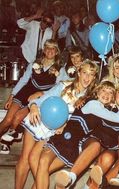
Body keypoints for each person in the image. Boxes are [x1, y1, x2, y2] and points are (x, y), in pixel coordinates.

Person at [15, 60, 98, 189]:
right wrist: (33, 106)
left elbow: (80, 121)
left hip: (58, 132)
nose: (87, 77)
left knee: (37, 160)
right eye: (85, 73)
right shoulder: (64, 85)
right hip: (41, 122)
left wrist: (64, 125)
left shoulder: (90, 97)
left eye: (91, 74)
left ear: (94, 78)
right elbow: (41, 99)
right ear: (79, 73)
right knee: (28, 158)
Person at [34, 81, 119, 189]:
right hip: (64, 137)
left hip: (72, 145)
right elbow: (118, 118)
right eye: (103, 90)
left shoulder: (102, 110)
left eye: (110, 93)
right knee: (43, 162)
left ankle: (66, 181)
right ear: (98, 92)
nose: (106, 94)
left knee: (44, 168)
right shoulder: (93, 103)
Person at [0, 39, 62, 154]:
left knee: (17, 118)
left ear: (57, 51)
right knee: (8, 119)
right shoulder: (35, 63)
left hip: (38, 99)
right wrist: (11, 96)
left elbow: (58, 88)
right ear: (44, 50)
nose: (50, 51)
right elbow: (23, 80)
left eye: (53, 48)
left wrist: (41, 94)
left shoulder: (60, 68)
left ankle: (11, 137)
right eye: (47, 48)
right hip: (24, 92)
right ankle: (11, 136)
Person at [84, 80, 119, 189]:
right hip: (96, 141)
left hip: (112, 148)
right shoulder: (106, 106)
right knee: (96, 147)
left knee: (107, 158)